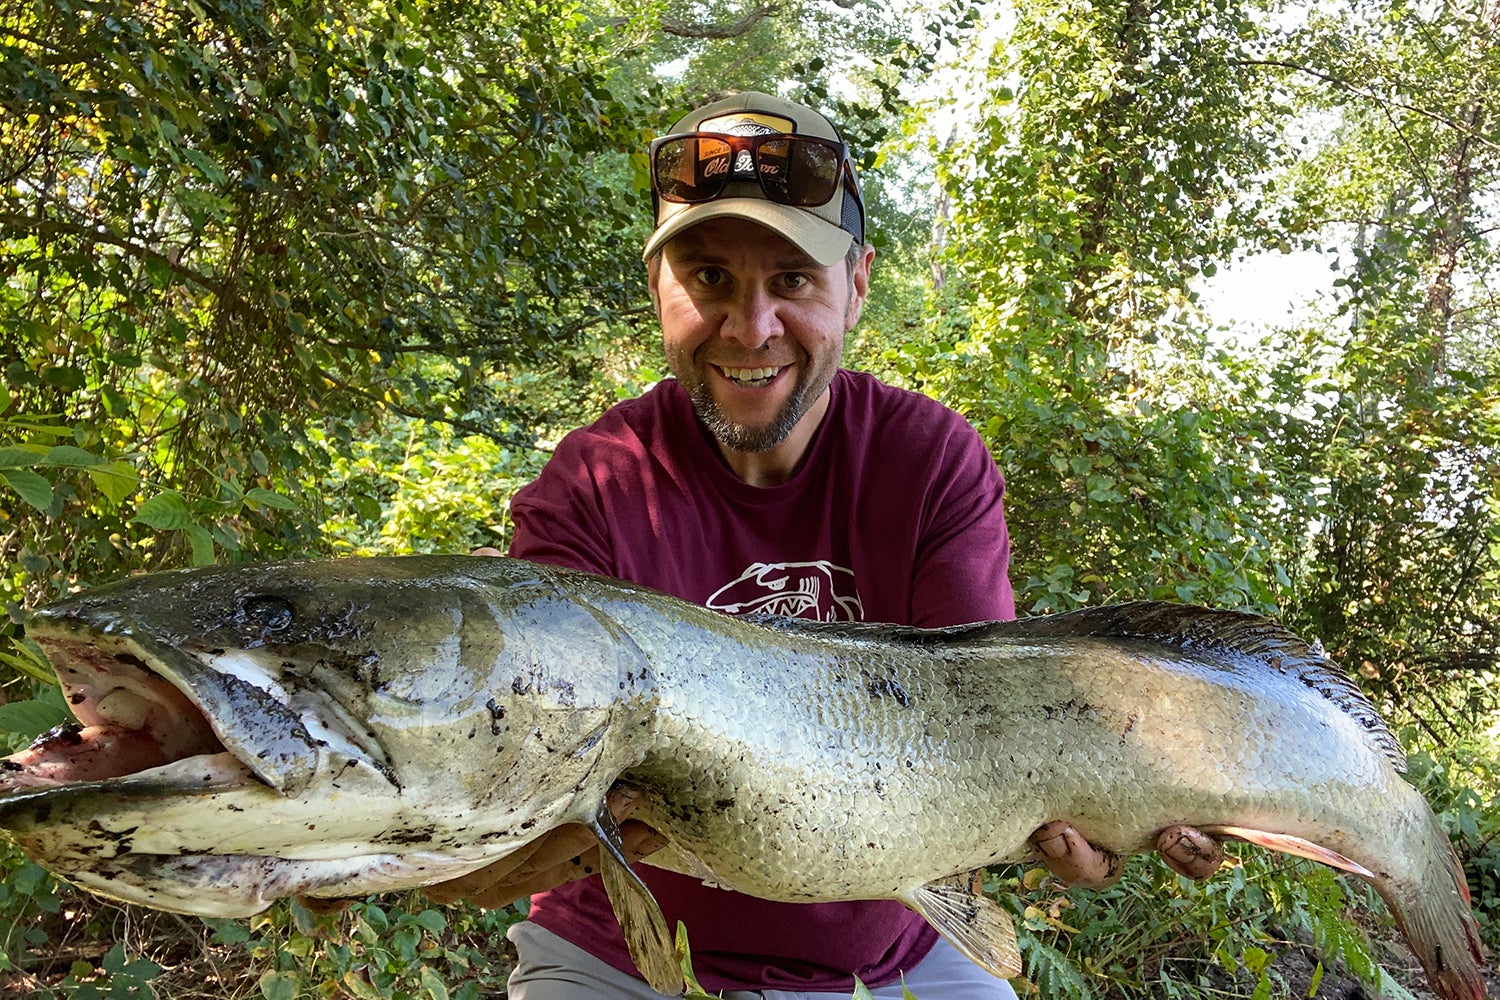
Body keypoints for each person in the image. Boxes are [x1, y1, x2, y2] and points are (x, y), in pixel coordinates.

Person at [427, 91, 1223, 999]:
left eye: (793, 280)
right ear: (659, 289)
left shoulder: (930, 460)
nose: (751, 327)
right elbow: (537, 772)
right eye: (710, 277)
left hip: (900, 946)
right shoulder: (593, 483)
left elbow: (985, 721)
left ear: (859, 284)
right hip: (619, 956)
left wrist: (1088, 804)